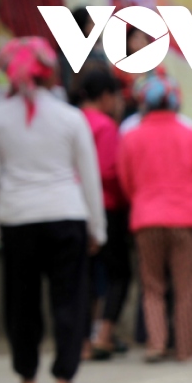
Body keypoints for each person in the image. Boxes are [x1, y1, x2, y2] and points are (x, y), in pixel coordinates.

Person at [0, 37, 105, 383]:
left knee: (21, 300)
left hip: (17, 217)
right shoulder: (70, 117)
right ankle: (64, 378)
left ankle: (27, 374)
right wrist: (97, 229)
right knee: (69, 298)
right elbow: (89, 177)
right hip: (66, 214)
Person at [117, 73, 192, 363]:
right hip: (186, 217)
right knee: (186, 287)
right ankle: (184, 347)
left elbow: (126, 181)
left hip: (146, 218)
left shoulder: (131, 137)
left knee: (152, 286)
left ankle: (156, 344)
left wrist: (142, 202)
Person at [76, 68, 132, 361]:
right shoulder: (105, 126)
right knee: (118, 274)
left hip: (74, 208)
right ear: (106, 96)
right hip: (108, 207)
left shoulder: (72, 120)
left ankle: (83, 340)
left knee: (82, 276)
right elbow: (109, 172)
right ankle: (105, 334)